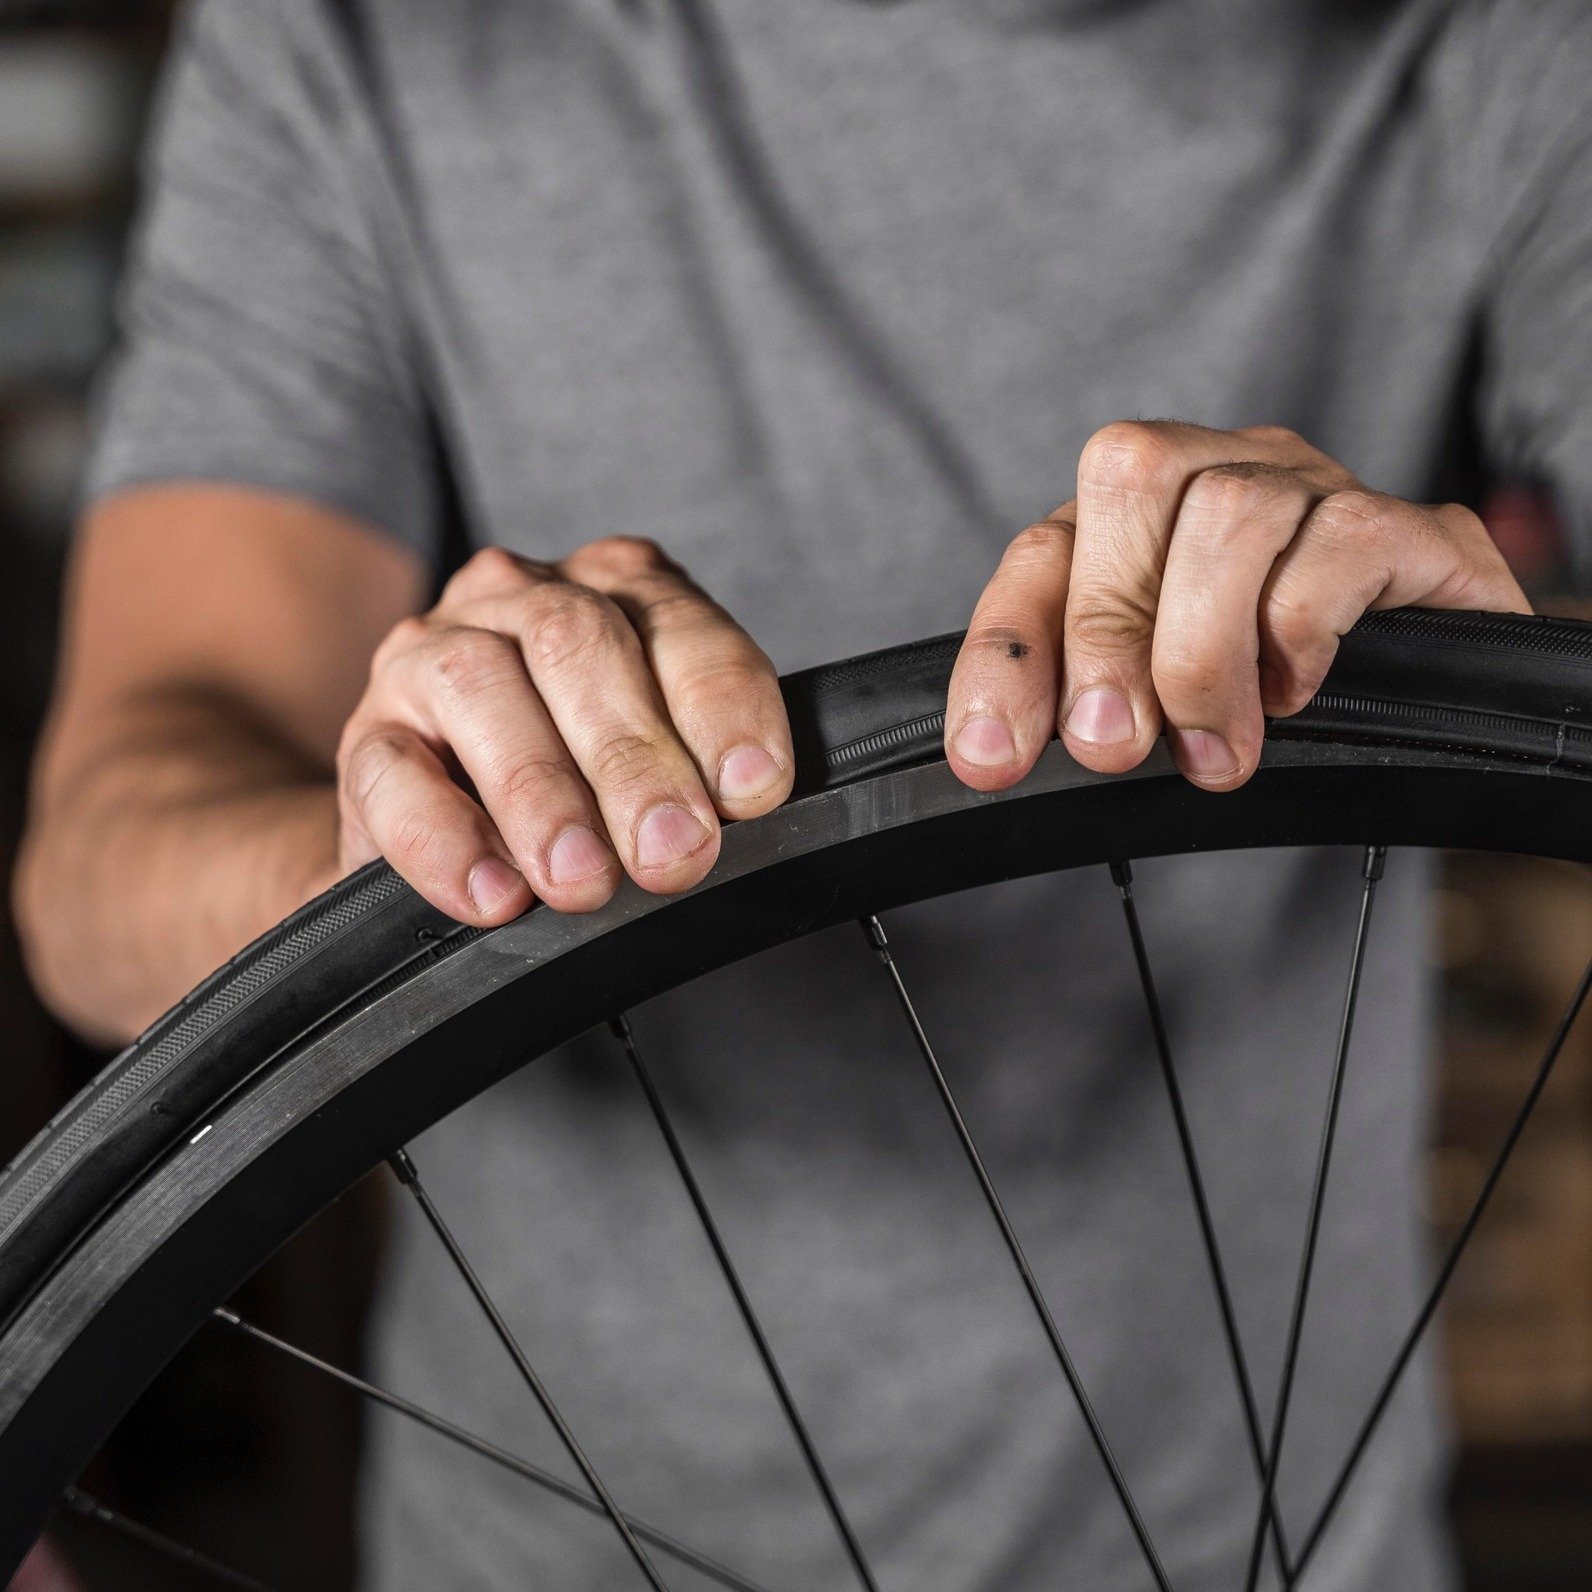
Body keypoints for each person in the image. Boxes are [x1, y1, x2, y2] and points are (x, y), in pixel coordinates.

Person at [12, 0, 1589, 1586]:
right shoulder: (361, 37)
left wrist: (1489, 660)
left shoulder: (1498, 39)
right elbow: (95, 875)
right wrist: (390, 871)